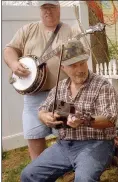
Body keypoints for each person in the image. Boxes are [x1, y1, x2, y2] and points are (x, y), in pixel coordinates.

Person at [21, 40, 118, 181]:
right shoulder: (59, 88)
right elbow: (42, 109)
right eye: (73, 66)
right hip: (64, 144)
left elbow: (110, 119)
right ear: (63, 68)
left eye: (82, 63)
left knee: (83, 179)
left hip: (97, 143)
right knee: (29, 175)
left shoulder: (102, 85)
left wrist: (84, 120)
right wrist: (45, 116)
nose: (80, 69)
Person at [3, 1, 82, 160]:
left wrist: (66, 58)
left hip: (62, 96)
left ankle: (71, 171)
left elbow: (80, 64)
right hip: (33, 99)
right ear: (40, 10)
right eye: (45, 8)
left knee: (68, 138)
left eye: (52, 7)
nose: (48, 11)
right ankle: (39, 173)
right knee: (34, 138)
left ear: (59, 9)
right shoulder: (28, 30)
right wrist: (13, 63)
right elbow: (9, 50)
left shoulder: (71, 31)